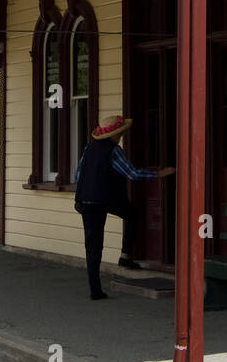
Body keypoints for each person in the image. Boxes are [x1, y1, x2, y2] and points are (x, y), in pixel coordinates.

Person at [73, 114, 173, 300]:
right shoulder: (113, 150)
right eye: (121, 133)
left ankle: (102, 282)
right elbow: (132, 173)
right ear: (115, 134)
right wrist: (159, 174)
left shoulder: (89, 148)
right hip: (103, 199)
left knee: (94, 244)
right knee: (130, 217)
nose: (122, 136)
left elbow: (77, 175)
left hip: (85, 200)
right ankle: (121, 260)